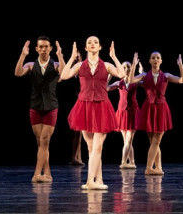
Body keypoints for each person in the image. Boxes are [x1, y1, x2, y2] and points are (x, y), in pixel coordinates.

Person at [60, 36, 131, 190]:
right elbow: (64, 76)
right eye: (89, 42)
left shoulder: (106, 65)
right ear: (85, 48)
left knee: (98, 147)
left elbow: (122, 74)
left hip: (101, 107)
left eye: (96, 42)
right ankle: (98, 179)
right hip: (84, 107)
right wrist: (72, 58)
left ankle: (89, 182)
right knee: (91, 147)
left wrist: (114, 57)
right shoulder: (80, 65)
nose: (93, 44)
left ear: (100, 47)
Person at [15, 37, 66, 182]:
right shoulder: (31, 65)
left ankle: (36, 174)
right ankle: (48, 173)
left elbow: (63, 74)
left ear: (50, 48)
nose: (43, 49)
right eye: (41, 47)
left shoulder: (55, 64)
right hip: (35, 106)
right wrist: (23, 55)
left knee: (45, 139)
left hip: (51, 107)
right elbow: (18, 73)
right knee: (40, 142)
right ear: (36, 49)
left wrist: (60, 55)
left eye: (46, 47)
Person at [131, 51, 183, 174]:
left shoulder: (166, 75)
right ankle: (153, 168)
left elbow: (182, 80)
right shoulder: (145, 75)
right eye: (153, 58)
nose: (155, 60)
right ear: (150, 61)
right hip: (148, 109)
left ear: (161, 61)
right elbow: (131, 80)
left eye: (158, 58)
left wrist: (180, 65)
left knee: (156, 141)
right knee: (154, 142)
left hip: (161, 108)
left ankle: (154, 168)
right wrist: (134, 65)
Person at [108, 59, 141, 169]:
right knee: (127, 140)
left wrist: (140, 72)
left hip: (133, 112)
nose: (126, 69)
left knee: (129, 138)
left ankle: (123, 162)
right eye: (124, 67)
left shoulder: (135, 81)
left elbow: (146, 83)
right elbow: (106, 88)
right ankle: (132, 161)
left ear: (131, 69)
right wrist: (110, 75)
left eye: (128, 67)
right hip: (122, 112)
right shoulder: (119, 83)